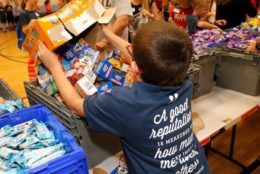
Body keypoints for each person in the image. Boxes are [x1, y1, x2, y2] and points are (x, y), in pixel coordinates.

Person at [37, 20, 210, 174]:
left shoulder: (126, 102)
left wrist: (54, 66)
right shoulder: (183, 81)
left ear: (134, 67)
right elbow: (149, 59)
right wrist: (109, 34)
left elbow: (75, 103)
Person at [18, 0, 39, 80]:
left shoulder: (35, 13)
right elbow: (24, 30)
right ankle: (33, 82)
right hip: (31, 44)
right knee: (32, 64)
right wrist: (30, 24)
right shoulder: (23, 14)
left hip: (38, 42)